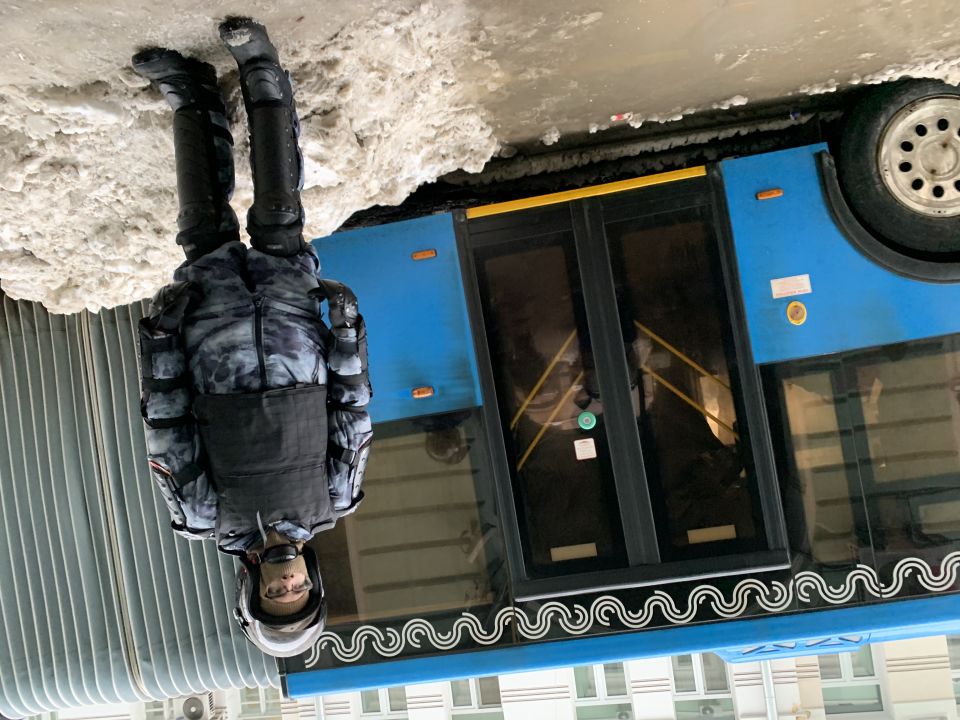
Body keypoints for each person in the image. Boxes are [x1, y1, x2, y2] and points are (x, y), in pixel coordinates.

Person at [132, 17, 373, 658]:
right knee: (278, 217)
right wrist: (347, 333)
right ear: (312, 580)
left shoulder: (202, 517)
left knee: (202, 227)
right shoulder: (337, 497)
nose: (287, 583)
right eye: (298, 591)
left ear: (253, 590)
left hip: (212, 343)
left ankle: (191, 96)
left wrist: (161, 342)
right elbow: (352, 409)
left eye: (276, 594)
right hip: (295, 333)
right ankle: (261, 72)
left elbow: (168, 427)